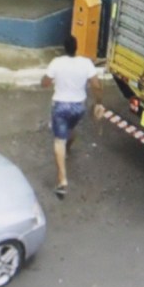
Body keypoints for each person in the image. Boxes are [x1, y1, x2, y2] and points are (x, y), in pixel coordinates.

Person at [41, 34, 103, 199]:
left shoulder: (57, 63)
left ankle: (62, 180)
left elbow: (45, 82)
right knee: (71, 129)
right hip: (78, 107)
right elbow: (96, 85)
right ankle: (68, 149)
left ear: (64, 48)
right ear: (76, 48)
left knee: (58, 140)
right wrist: (98, 102)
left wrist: (47, 81)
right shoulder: (85, 63)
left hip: (60, 106)